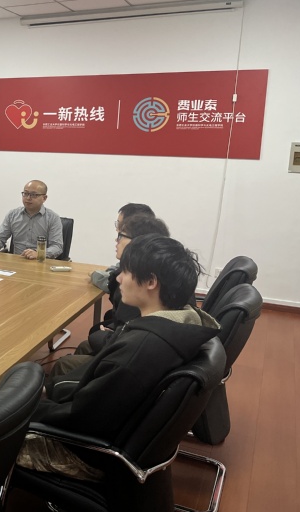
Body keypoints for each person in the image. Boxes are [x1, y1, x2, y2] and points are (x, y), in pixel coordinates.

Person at [17, 234, 219, 481]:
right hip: (112, 433)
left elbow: (81, 418)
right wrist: (49, 393)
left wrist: (23, 408)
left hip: (87, 452)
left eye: (126, 272)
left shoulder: (138, 352)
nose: (119, 278)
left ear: (151, 282)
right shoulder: (182, 323)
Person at [49, 214, 171, 381]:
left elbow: (123, 346)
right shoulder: (159, 280)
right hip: (125, 354)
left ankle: (58, 387)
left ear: (137, 242)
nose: (116, 240)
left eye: (121, 235)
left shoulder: (138, 293)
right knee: (85, 346)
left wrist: (109, 335)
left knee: (65, 364)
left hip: (122, 368)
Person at [0, 180, 63, 259]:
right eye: (25, 193)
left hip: (40, 262)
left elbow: (57, 247)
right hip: (16, 261)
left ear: (44, 198)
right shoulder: (13, 215)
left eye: (33, 195)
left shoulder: (53, 218)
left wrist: (39, 253)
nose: (28, 198)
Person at [89, 202, 156, 291]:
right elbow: (117, 268)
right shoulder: (149, 250)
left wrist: (94, 275)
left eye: (120, 224)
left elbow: (111, 283)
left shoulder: (142, 264)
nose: (117, 229)